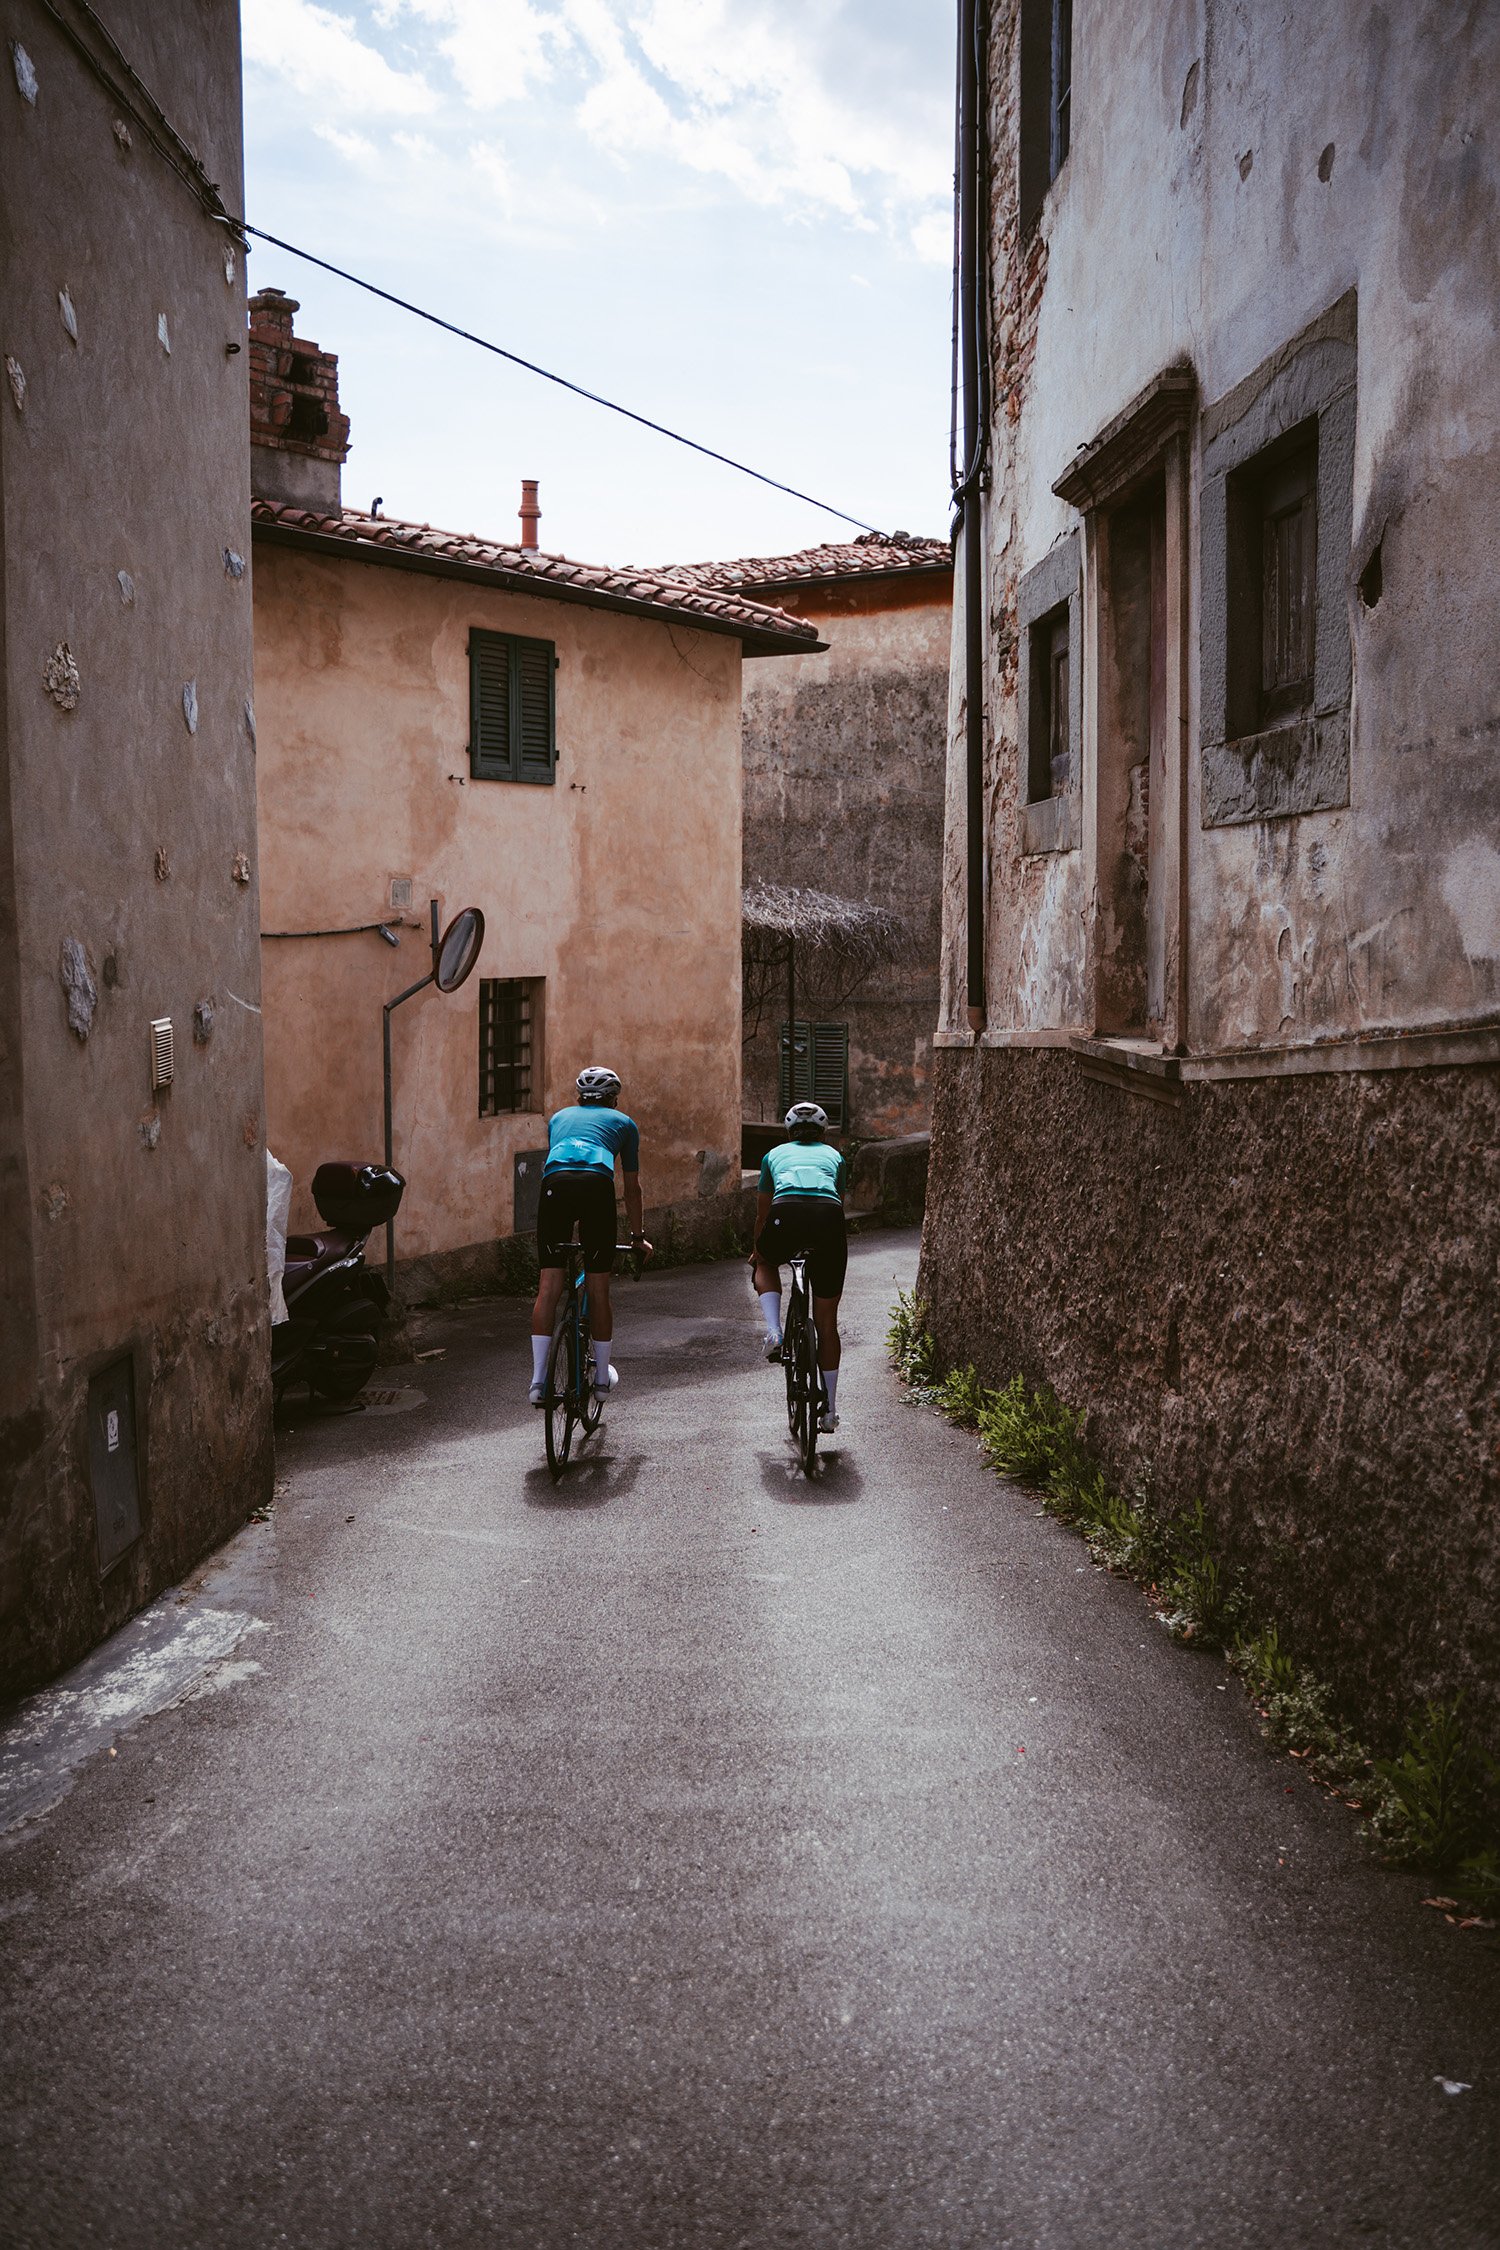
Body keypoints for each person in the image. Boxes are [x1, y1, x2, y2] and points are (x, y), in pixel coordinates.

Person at [529, 1066, 652, 1404]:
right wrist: (638, 1236)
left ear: (578, 1098)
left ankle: (538, 1382)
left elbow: (562, 1161)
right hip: (596, 1186)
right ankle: (600, 1381)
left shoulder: (558, 1119)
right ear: (614, 1100)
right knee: (598, 1289)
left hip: (555, 1186)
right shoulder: (625, 1124)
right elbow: (632, 1189)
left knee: (548, 1286)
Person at [752, 1101, 848, 1434]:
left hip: (785, 1212)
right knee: (826, 1323)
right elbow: (838, 1198)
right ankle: (830, 1411)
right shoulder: (835, 1157)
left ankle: (774, 1332)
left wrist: (757, 1251)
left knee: (764, 1263)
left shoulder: (773, 1155)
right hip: (828, 1219)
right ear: (823, 1132)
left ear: (788, 1130)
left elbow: (763, 1213)